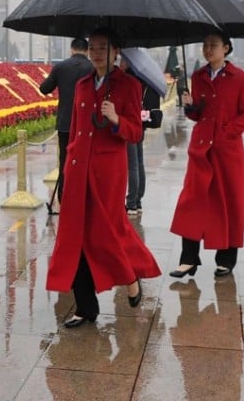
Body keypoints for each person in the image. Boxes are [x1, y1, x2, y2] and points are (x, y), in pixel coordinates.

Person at [45, 29, 161, 328]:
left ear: (116, 51)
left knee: (108, 232)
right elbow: (75, 129)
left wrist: (116, 120)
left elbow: (135, 131)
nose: (97, 53)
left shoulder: (129, 85)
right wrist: (67, 166)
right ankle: (86, 307)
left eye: (103, 48)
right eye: (93, 48)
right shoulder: (83, 84)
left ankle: (130, 276)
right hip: (78, 168)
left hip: (108, 173)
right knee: (76, 235)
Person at [169, 33, 244, 278]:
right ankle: (188, 258)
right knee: (192, 200)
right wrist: (189, 106)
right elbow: (197, 115)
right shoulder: (198, 76)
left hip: (227, 151)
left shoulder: (240, 77)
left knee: (228, 201)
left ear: (226, 48)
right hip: (201, 148)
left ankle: (226, 259)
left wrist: (227, 132)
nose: (208, 49)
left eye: (213, 45)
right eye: (205, 45)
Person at [39, 38, 93, 211]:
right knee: (86, 160)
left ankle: (64, 196)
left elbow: (44, 88)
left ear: (72, 49)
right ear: (87, 50)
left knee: (65, 161)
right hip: (86, 124)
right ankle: (84, 197)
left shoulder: (61, 67)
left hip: (65, 123)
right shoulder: (92, 68)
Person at [118, 51, 162, 216]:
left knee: (133, 164)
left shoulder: (129, 80)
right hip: (141, 124)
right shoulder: (147, 79)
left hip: (130, 124)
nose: (120, 64)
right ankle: (138, 200)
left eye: (123, 61)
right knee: (139, 162)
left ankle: (131, 203)